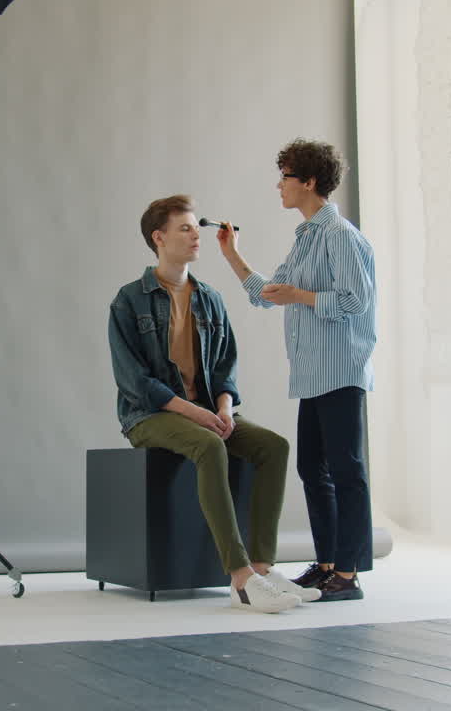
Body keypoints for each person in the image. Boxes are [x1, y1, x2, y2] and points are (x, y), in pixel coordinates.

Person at [108, 194, 315, 613]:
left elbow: (225, 368)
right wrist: (197, 414)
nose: (195, 236)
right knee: (208, 445)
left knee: (273, 446)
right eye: (184, 228)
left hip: (207, 412)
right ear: (158, 238)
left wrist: (222, 408)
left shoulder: (210, 299)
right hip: (149, 416)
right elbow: (135, 382)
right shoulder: (129, 300)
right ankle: (240, 579)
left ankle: (262, 568)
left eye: (194, 227)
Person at [217, 139, 377, 602]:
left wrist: (301, 297)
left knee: (346, 472)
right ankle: (327, 565)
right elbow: (268, 293)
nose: (279, 186)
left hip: (340, 369)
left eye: (285, 176)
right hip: (313, 375)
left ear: (308, 181)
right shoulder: (307, 237)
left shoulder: (339, 235)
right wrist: (232, 254)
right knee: (313, 468)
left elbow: (355, 301)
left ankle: (347, 575)